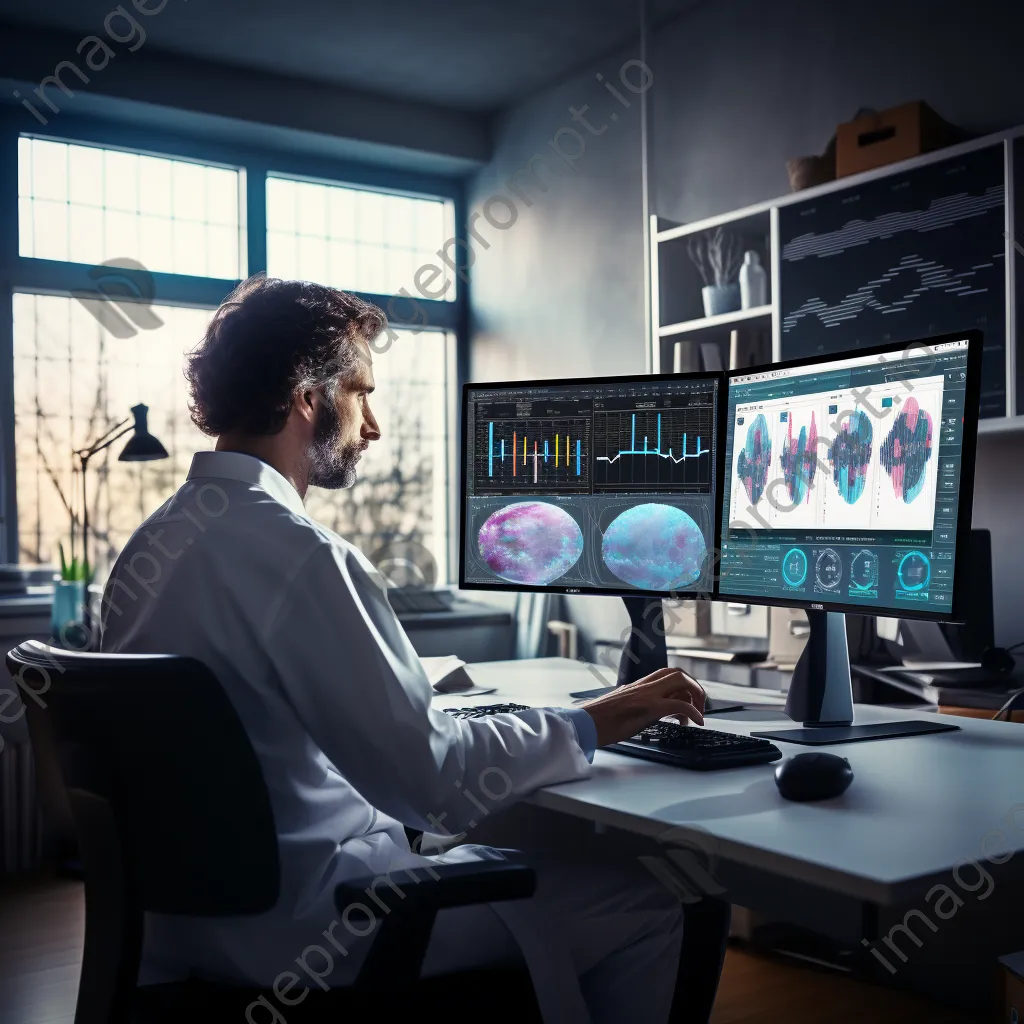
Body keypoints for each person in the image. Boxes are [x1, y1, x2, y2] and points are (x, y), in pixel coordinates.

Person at [100, 273, 711, 1023]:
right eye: (363, 392)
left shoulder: (150, 546)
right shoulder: (303, 555)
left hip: (179, 932)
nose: (373, 425)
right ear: (307, 397)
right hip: (316, 929)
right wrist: (596, 718)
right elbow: (437, 780)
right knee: (650, 899)